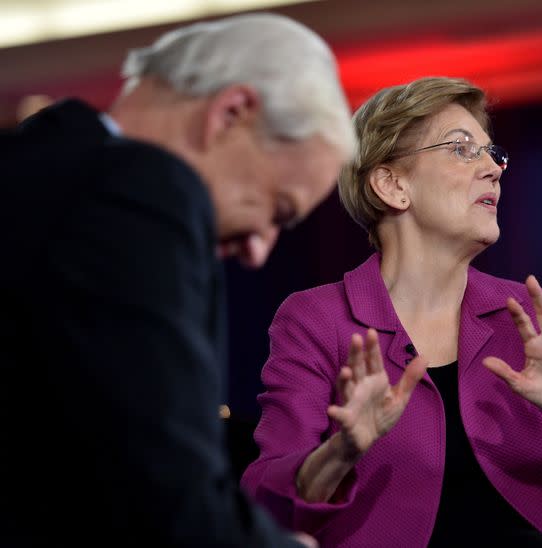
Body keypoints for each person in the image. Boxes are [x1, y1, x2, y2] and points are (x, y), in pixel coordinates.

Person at [240, 76, 542, 547]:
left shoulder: (523, 312)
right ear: (392, 184)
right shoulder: (317, 319)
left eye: (493, 153)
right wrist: (343, 450)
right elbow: (265, 502)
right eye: (462, 150)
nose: (494, 170)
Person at [0, 13, 355, 546]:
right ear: (230, 114)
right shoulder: (141, 189)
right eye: (277, 210)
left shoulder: (30, 166)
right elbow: (166, 495)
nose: (259, 250)